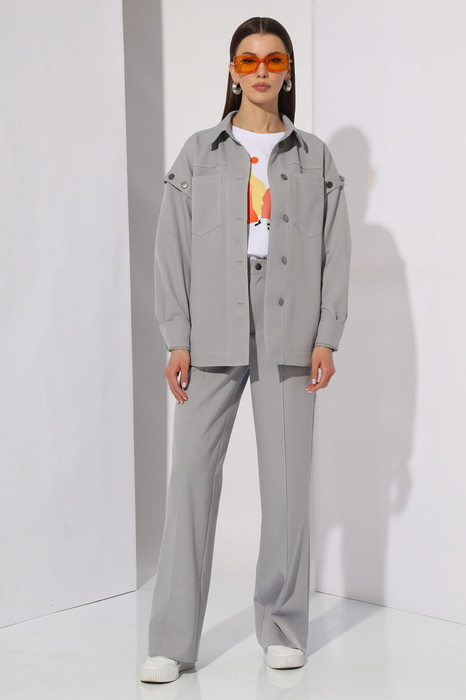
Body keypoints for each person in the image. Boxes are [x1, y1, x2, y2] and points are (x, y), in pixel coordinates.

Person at [140, 16, 351, 684]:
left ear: (288, 72)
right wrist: (176, 335)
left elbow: (337, 250)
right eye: (249, 60)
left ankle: (283, 627)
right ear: (233, 71)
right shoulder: (198, 153)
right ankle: (171, 640)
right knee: (191, 478)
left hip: (291, 321)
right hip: (211, 321)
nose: (262, 71)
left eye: (274, 59)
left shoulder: (315, 157)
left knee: (287, 485)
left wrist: (326, 335)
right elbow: (171, 246)